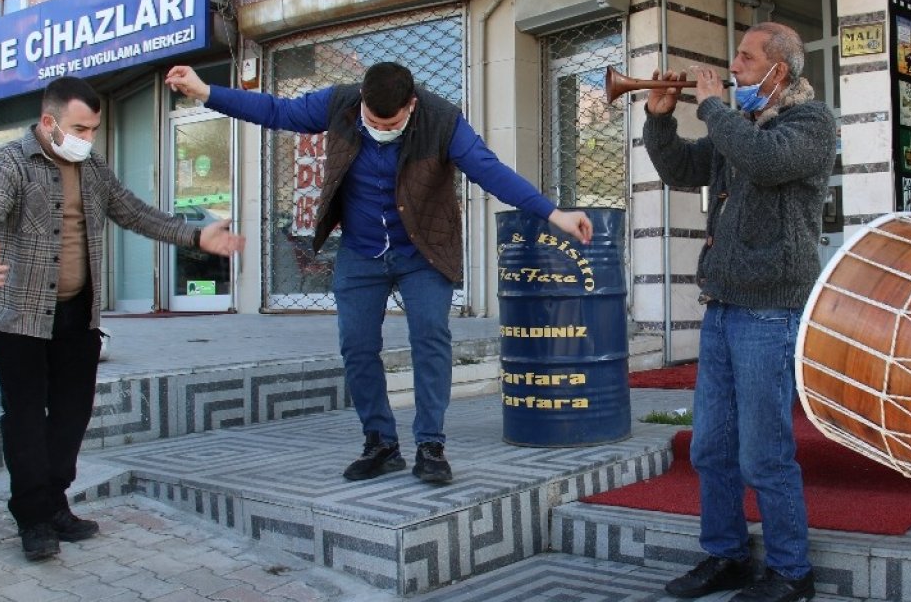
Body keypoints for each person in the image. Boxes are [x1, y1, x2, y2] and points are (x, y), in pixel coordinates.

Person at [165, 63, 592, 486]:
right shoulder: (341, 103)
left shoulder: (443, 120)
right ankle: (380, 444)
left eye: (388, 122)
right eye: (370, 118)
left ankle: (430, 446)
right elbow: (276, 111)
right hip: (360, 252)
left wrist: (552, 213)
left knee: (430, 339)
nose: (377, 127)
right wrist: (205, 92)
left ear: (411, 105)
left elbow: (490, 171)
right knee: (356, 345)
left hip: (423, 250)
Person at [0, 76, 245, 561]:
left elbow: (135, 213)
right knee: (26, 418)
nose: (88, 138)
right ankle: (33, 517)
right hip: (15, 316)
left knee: (71, 416)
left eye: (93, 129)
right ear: (49, 122)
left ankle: (55, 503)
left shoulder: (90, 166)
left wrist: (196, 238)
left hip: (76, 312)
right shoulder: (5, 161)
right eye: (80, 128)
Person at [642, 22, 836, 602]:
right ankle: (725, 555)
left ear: (780, 70)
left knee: (764, 452)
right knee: (710, 447)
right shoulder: (740, 128)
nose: (735, 68)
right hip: (724, 308)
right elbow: (681, 169)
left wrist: (709, 108)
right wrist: (659, 117)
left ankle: (790, 570)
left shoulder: (810, 124)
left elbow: (767, 161)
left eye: (747, 60)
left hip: (770, 311)